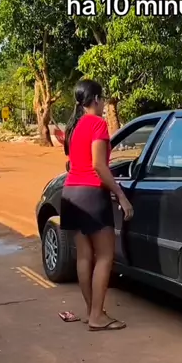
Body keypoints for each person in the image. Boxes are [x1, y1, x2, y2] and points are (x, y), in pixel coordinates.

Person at [60, 79, 133, 331]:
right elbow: (99, 166)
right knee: (104, 256)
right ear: (97, 100)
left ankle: (93, 311)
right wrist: (120, 195)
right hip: (91, 194)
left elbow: (74, 163)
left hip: (71, 193)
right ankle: (97, 317)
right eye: (103, 100)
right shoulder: (98, 124)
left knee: (84, 256)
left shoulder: (74, 126)